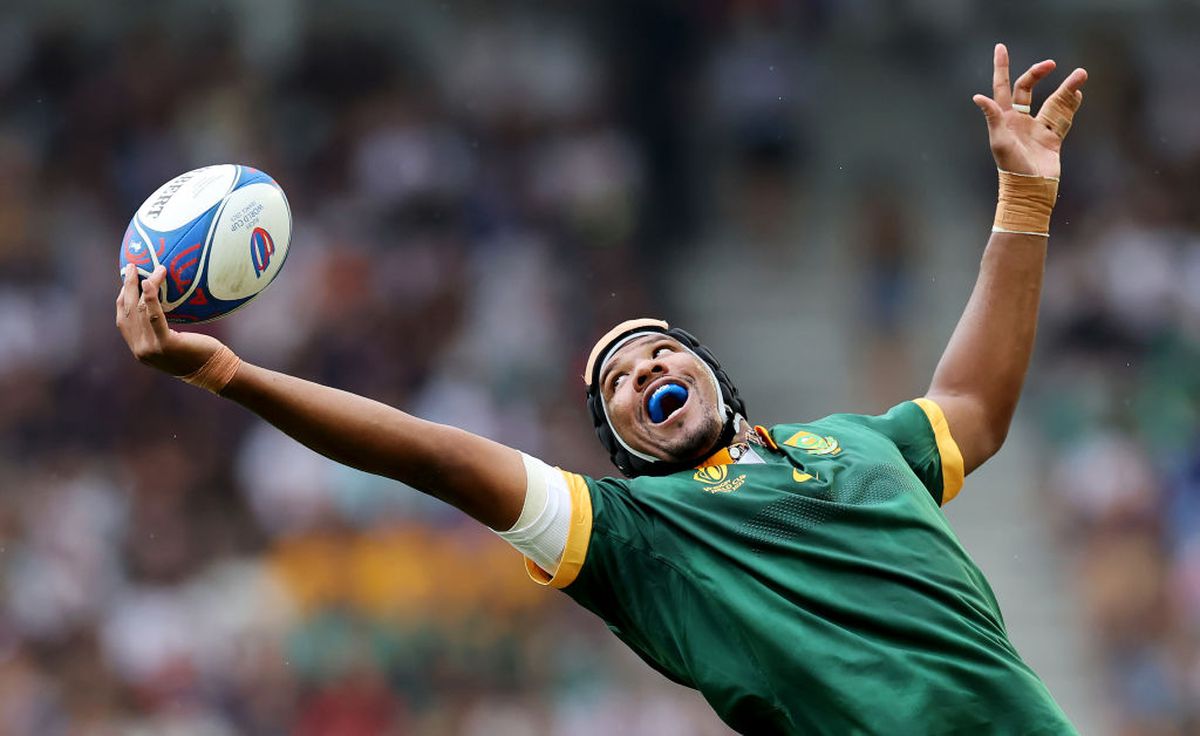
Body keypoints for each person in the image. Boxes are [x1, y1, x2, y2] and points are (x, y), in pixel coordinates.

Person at [116, 44, 1087, 734]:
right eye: (616, 382)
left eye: (659, 351)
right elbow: (436, 455)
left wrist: (1025, 201)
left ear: (716, 373)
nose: (645, 371)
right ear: (622, 448)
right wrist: (232, 374)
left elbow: (973, 408)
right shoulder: (641, 535)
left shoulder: (863, 445)